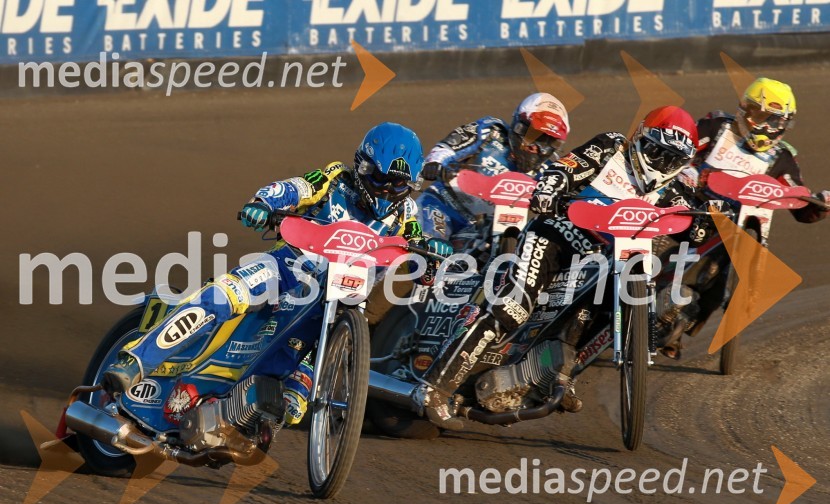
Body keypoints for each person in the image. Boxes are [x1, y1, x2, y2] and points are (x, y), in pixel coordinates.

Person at [103, 122, 448, 425]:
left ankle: (250, 414)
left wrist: (432, 258)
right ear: (362, 166)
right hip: (289, 267)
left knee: (294, 405)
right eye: (381, 180)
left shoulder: (407, 211)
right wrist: (263, 204)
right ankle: (136, 361)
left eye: (399, 185)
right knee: (223, 294)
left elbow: (420, 245)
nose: (388, 191)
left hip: (338, 302)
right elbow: (293, 188)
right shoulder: (333, 179)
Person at [415, 106, 709, 430]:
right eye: (658, 152)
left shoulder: (671, 189)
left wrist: (706, 221)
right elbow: (566, 166)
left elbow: (694, 220)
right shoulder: (612, 147)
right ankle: (434, 387)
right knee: (512, 308)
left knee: (607, 307)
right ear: (641, 139)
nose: (663, 164)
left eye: (673, 159)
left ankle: (555, 372)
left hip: (605, 259)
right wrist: (552, 185)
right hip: (556, 239)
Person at [656, 78, 830, 358]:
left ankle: (676, 322)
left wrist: (820, 205)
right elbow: (677, 148)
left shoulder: (781, 157)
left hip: (730, 232)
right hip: (685, 209)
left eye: (773, 120)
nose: (763, 126)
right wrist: (685, 169)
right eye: (758, 114)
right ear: (744, 109)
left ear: (784, 124)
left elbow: (799, 202)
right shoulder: (716, 126)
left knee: (716, 278)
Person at [417, 93, 570, 242]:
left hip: (485, 226)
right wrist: (434, 163)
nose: (536, 147)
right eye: (533, 135)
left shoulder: (549, 171)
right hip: (443, 205)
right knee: (433, 245)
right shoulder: (491, 131)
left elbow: (567, 195)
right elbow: (450, 146)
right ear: (518, 126)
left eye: (548, 141)